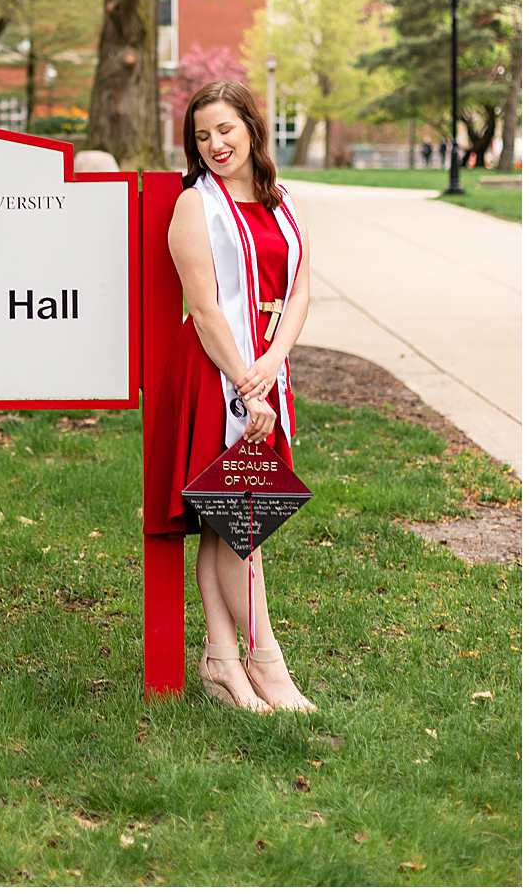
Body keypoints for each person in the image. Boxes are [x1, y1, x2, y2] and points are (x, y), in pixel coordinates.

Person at [154, 79, 317, 716]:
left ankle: (222, 660)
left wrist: (274, 363)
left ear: (251, 126)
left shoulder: (281, 202)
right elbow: (203, 305)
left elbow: (300, 291)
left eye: (225, 129)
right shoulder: (197, 206)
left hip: (263, 374)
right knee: (236, 524)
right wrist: (249, 384)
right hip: (214, 375)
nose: (215, 144)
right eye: (202, 135)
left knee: (229, 528)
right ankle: (266, 661)